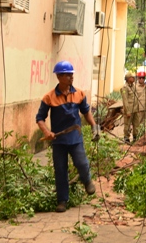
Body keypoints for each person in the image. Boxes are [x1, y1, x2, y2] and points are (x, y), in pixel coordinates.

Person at [36, 61, 100, 213]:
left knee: (81, 163)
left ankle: (87, 181)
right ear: (59, 77)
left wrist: (94, 127)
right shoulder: (49, 97)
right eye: (68, 75)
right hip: (58, 140)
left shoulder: (79, 94)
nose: (71, 77)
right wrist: (46, 132)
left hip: (75, 137)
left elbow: (86, 112)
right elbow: (40, 118)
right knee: (60, 169)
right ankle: (62, 201)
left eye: (72, 74)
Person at [131, 71, 146, 140]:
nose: (141, 79)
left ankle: (142, 137)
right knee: (137, 124)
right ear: (138, 78)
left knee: (144, 124)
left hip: (145, 108)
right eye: (140, 78)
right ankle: (135, 137)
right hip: (138, 109)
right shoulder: (134, 87)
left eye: (143, 78)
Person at [120, 71, 137, 143]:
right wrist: (127, 111)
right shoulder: (125, 88)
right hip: (129, 110)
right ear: (128, 78)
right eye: (132, 77)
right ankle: (126, 138)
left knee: (136, 124)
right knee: (127, 124)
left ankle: (135, 137)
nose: (133, 78)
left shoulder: (133, 86)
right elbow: (125, 100)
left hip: (135, 109)